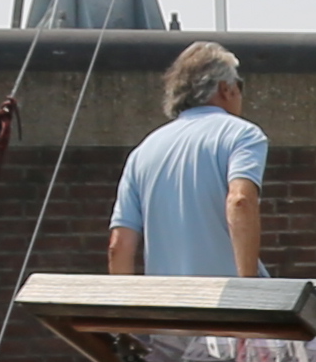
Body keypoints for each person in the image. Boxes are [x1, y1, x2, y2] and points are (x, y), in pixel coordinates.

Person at [106, 43, 267, 277]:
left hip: (168, 297)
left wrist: (125, 301)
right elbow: (240, 201)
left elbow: (119, 245)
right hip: (226, 293)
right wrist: (248, 285)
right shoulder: (242, 134)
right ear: (225, 89)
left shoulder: (143, 151)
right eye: (239, 86)